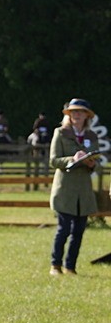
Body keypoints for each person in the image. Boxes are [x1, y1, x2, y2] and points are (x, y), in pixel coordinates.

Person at [48, 99, 101, 275]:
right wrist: (73, 159)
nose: (76, 114)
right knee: (63, 230)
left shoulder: (91, 136)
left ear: (87, 115)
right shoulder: (60, 133)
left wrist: (92, 163)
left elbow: (98, 163)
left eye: (80, 111)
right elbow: (54, 160)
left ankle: (70, 266)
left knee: (78, 231)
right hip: (65, 189)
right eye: (73, 112)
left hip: (83, 190)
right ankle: (55, 265)